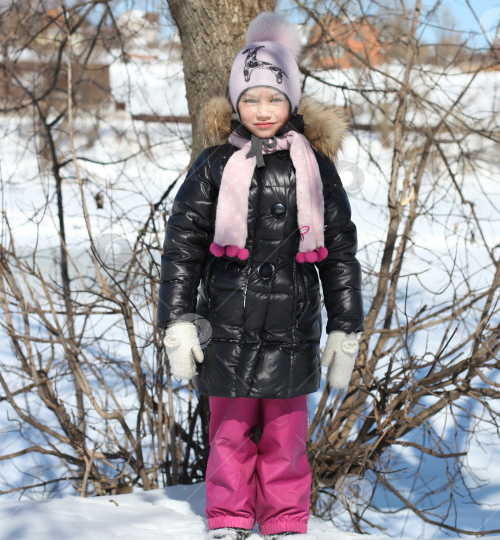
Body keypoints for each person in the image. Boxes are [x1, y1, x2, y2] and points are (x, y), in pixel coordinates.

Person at [157, 11, 364, 540]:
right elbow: (183, 247)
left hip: (292, 325)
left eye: (274, 98)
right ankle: (228, 519)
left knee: (286, 436)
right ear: (236, 103)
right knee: (227, 432)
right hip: (225, 324)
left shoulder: (314, 166)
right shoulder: (212, 165)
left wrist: (345, 327)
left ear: (291, 100)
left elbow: (339, 250)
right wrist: (178, 320)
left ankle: (286, 520)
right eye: (251, 98)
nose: (263, 110)